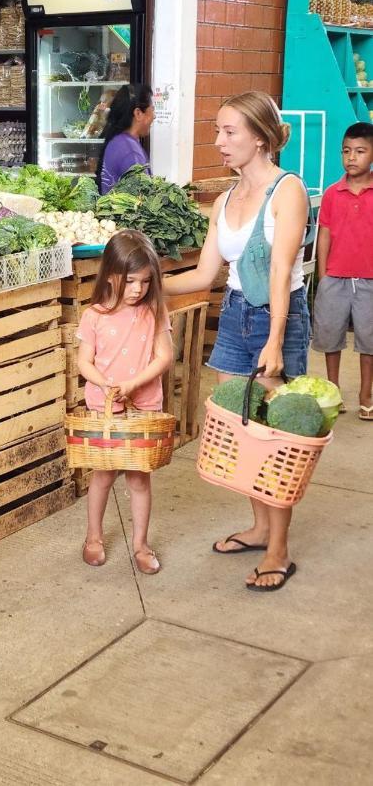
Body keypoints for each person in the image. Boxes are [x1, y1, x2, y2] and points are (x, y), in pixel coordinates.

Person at [162, 91, 310, 592]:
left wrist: (274, 340)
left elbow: (281, 271)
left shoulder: (287, 191)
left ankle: (279, 550)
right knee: (240, 430)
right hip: (234, 318)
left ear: (261, 137)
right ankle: (259, 527)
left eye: (229, 132)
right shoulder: (226, 199)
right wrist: (144, 288)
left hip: (278, 318)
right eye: (218, 131)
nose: (219, 142)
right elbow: (205, 274)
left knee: (276, 438)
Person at [76, 230, 173, 574]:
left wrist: (134, 383)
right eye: (130, 280)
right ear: (110, 273)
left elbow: (164, 356)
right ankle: (93, 537)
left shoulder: (153, 310)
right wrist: (105, 383)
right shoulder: (95, 316)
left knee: (139, 478)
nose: (138, 289)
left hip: (143, 407)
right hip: (105, 409)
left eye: (145, 282)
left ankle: (141, 545)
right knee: (102, 475)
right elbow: (83, 362)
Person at [313, 122, 373, 420]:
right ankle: (333, 389)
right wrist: (323, 275)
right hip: (334, 277)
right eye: (347, 151)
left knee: (370, 339)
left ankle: (366, 394)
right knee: (330, 335)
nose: (352, 157)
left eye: (360, 151)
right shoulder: (332, 194)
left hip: (369, 279)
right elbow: (324, 234)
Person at [97, 84, 154, 195]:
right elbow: (143, 200)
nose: (154, 116)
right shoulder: (130, 151)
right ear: (138, 113)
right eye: (152, 110)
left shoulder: (116, 141)